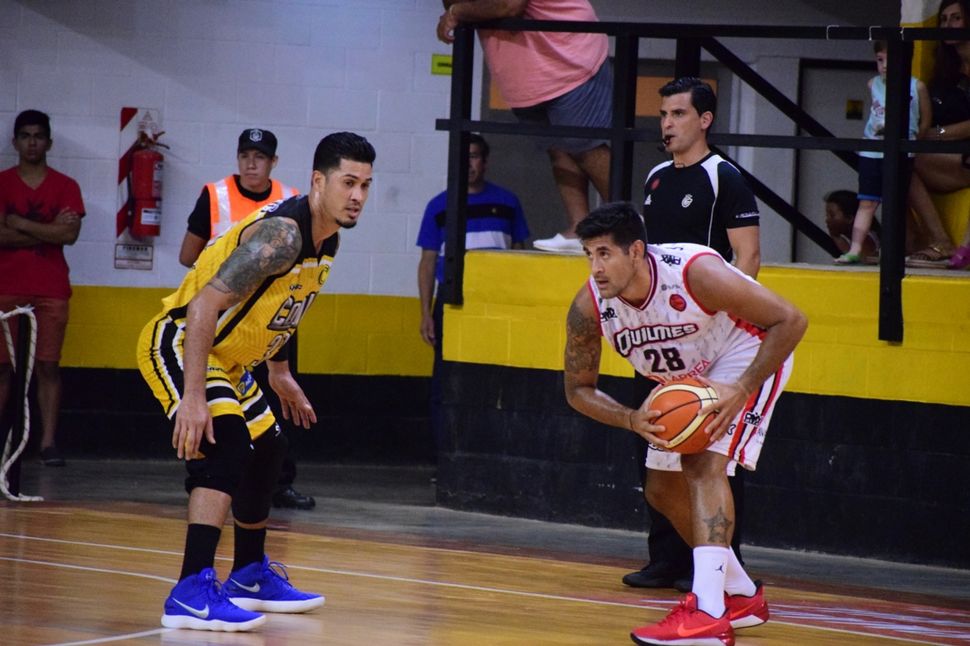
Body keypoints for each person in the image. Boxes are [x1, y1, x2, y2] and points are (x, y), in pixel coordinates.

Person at [136, 132, 375, 631]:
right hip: (183, 341)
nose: (357, 195)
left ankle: (247, 575)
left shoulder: (327, 237)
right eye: (348, 182)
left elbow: (282, 304)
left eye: (365, 186)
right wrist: (194, 396)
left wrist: (279, 371)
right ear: (318, 181)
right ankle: (189, 590)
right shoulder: (283, 236)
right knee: (226, 443)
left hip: (231, 359)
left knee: (270, 448)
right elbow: (204, 306)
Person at [563, 202, 807, 645]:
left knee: (701, 466)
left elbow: (790, 320)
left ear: (636, 251)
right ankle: (741, 595)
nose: (595, 268)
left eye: (605, 253)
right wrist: (630, 418)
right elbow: (578, 390)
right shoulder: (589, 306)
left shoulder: (694, 273)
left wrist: (743, 387)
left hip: (745, 356)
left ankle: (708, 612)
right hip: (687, 382)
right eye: (589, 255)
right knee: (661, 489)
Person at [626, 77, 759, 594]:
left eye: (678, 114)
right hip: (661, 335)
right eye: (663, 114)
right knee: (660, 440)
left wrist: (720, 323)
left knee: (710, 455)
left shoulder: (725, 176)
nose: (667, 124)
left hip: (711, 338)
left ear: (705, 120)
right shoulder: (657, 178)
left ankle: (724, 566)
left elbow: (747, 257)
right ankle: (665, 559)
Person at [178, 128, 314, 510]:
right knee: (212, 395)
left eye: (260, 157)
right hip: (221, 314)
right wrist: (229, 269)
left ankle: (277, 483)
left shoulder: (291, 200)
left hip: (271, 315)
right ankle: (206, 478)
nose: (251, 163)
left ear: (274, 162)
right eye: (245, 156)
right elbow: (187, 255)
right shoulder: (215, 195)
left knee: (277, 397)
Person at [436, 0, 611, 255]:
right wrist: (457, 8)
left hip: (569, 59)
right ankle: (579, 228)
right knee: (559, 150)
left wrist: (457, 12)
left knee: (587, 148)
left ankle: (629, 224)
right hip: (528, 75)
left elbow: (509, 5)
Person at [417, 133, 529, 454]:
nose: (469, 164)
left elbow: (520, 256)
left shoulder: (508, 203)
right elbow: (427, 263)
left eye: (475, 156)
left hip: (497, 305)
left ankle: (489, 451)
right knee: (445, 379)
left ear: (486, 161)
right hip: (451, 303)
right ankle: (444, 454)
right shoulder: (439, 206)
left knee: (495, 378)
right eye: (463, 157)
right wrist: (425, 313)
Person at [0, 109, 84, 468]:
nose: (32, 142)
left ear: (48, 142)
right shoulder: (2, 183)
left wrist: (18, 223)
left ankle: (48, 443)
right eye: (25, 136)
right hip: (6, 286)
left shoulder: (66, 186)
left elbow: (70, 234)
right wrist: (49, 230)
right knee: (2, 368)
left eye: (38, 136)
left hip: (51, 288)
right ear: (15, 141)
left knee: (48, 365)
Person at [835, 41, 934, 265]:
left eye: (891, 59)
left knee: (896, 202)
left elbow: (925, 119)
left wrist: (913, 143)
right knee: (867, 202)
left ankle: (893, 250)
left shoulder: (916, 87)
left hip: (900, 151)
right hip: (873, 150)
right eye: (880, 60)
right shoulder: (873, 84)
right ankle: (855, 248)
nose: (885, 65)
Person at [912, 0, 970, 269]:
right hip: (944, 155)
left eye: (956, 18)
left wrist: (936, 134)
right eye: (944, 19)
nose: (948, 24)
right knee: (895, 160)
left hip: (961, 153)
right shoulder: (945, 69)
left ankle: (953, 246)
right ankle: (932, 241)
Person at [824, 190, 880, 261]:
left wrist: (836, 237)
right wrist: (835, 236)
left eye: (832, 215)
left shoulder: (866, 239)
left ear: (849, 218)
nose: (827, 220)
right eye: (827, 215)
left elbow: (858, 261)